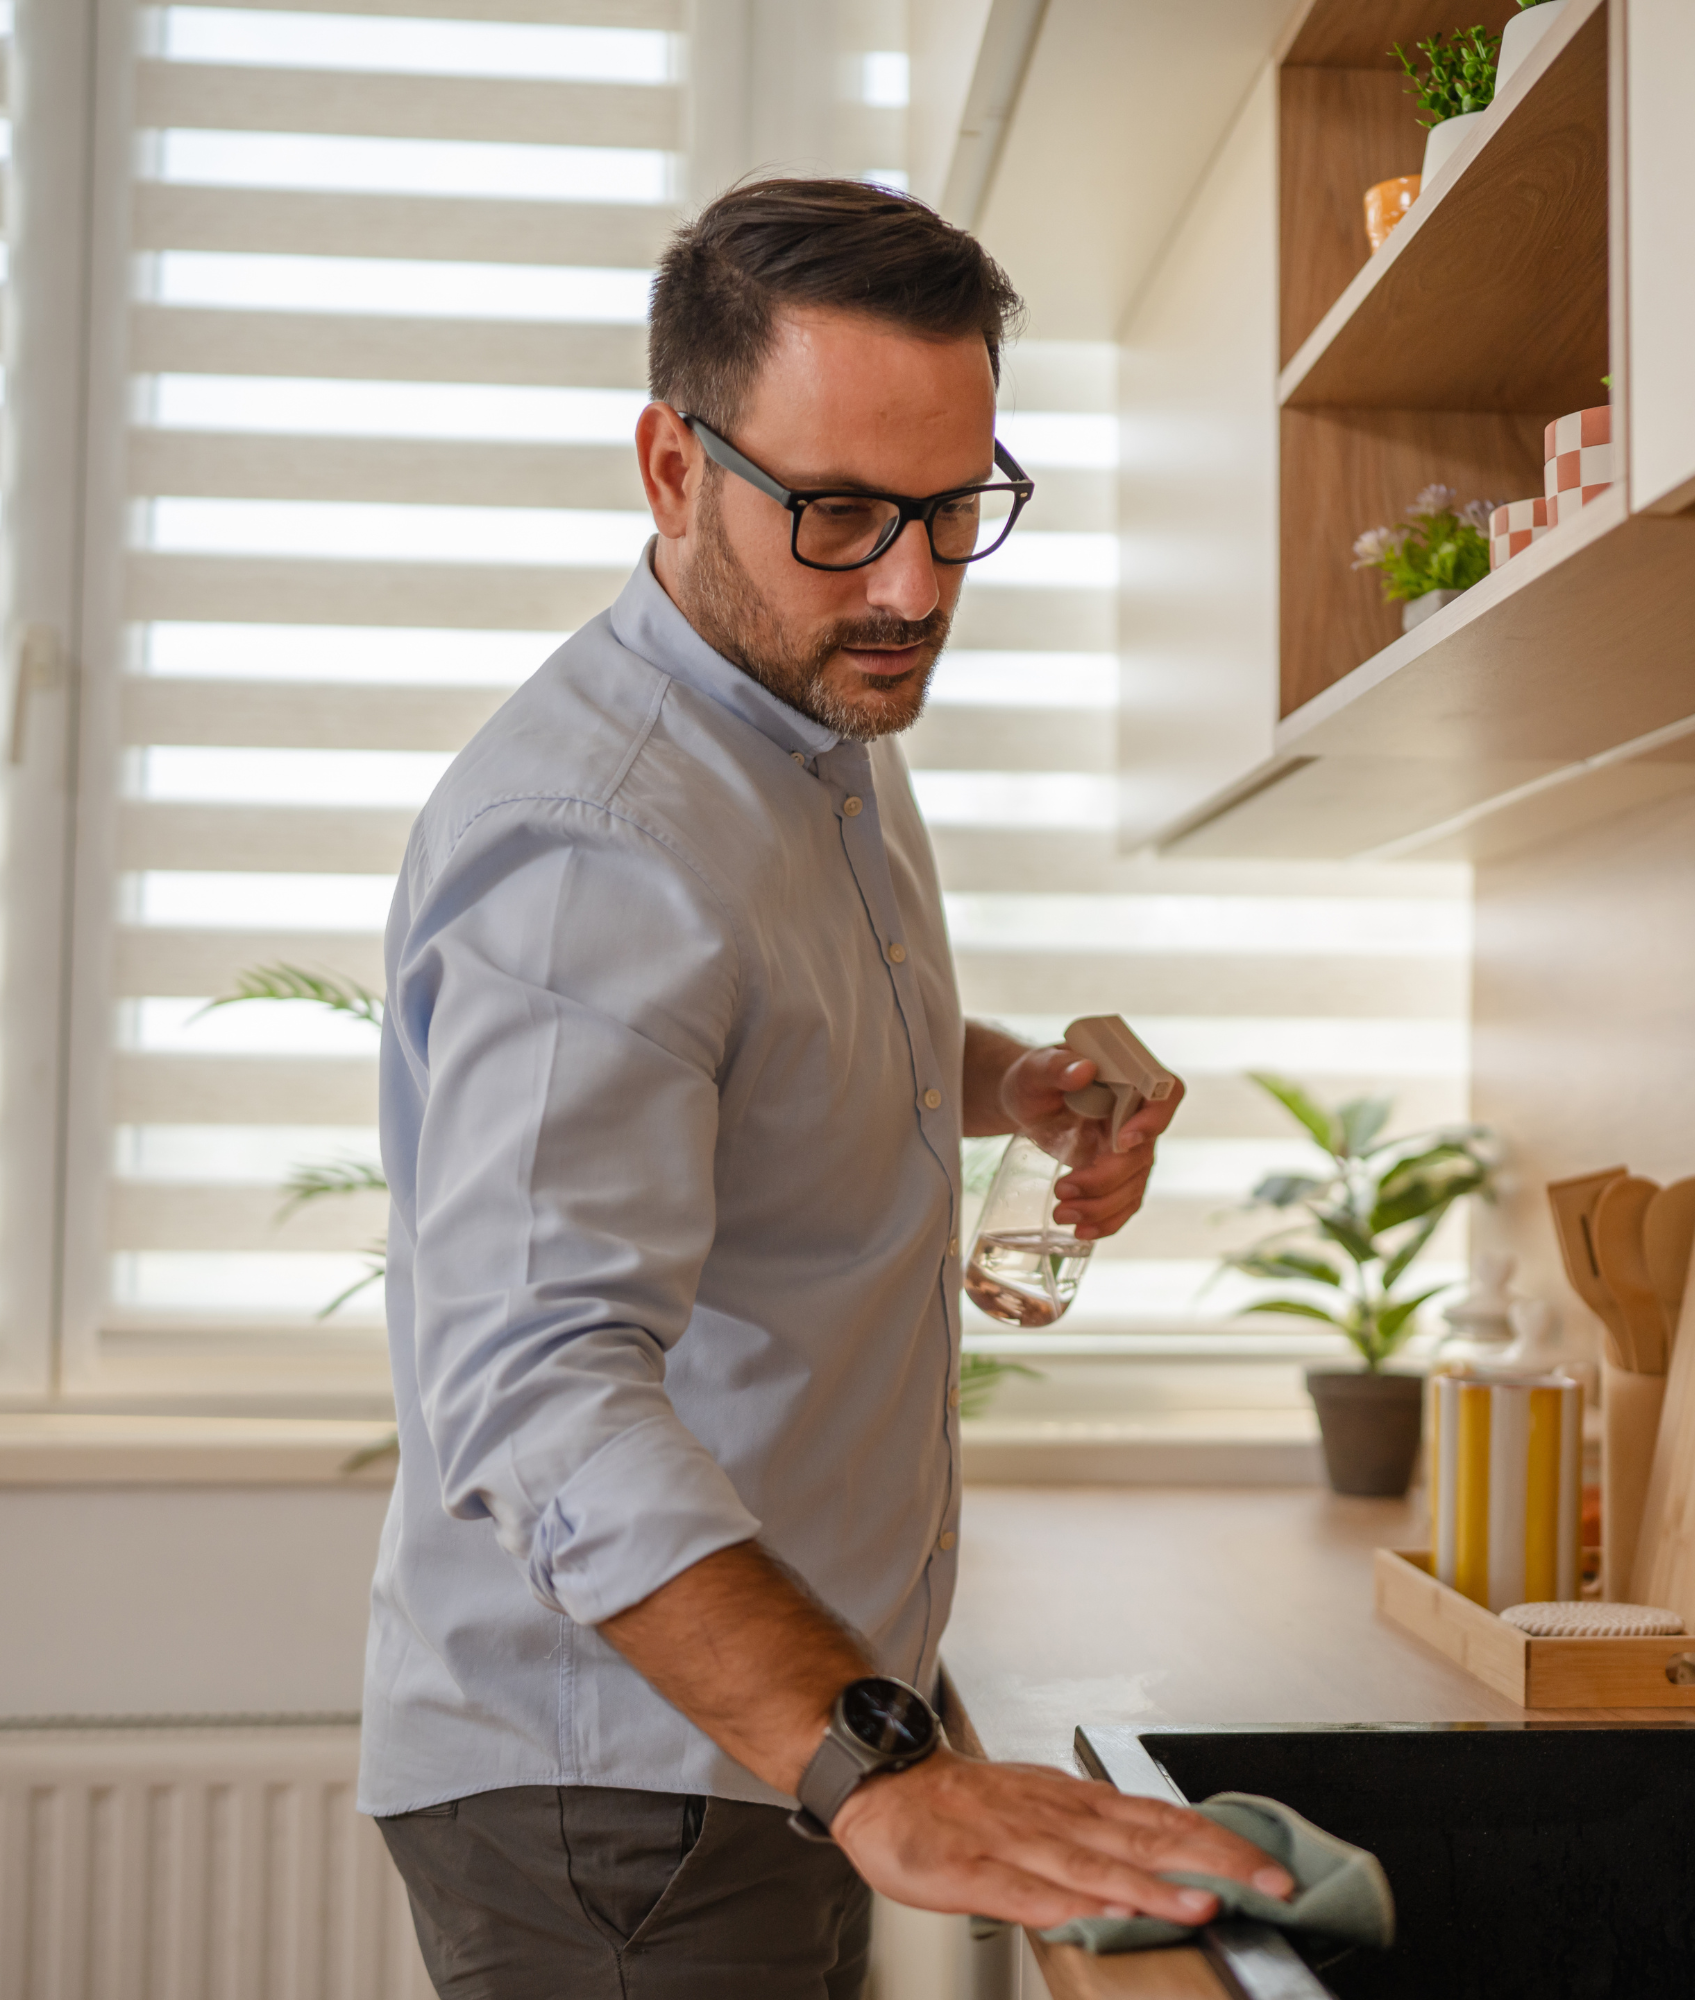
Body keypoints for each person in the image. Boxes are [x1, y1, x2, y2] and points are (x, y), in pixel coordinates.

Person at [359, 179, 1289, 1998]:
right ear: (670, 466)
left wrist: (1016, 1080)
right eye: (846, 512)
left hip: (758, 1741)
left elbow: (769, 1021)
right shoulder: (593, 842)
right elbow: (535, 1387)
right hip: (625, 1786)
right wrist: (867, 1758)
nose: (913, 587)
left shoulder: (800, 706)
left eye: (957, 510)